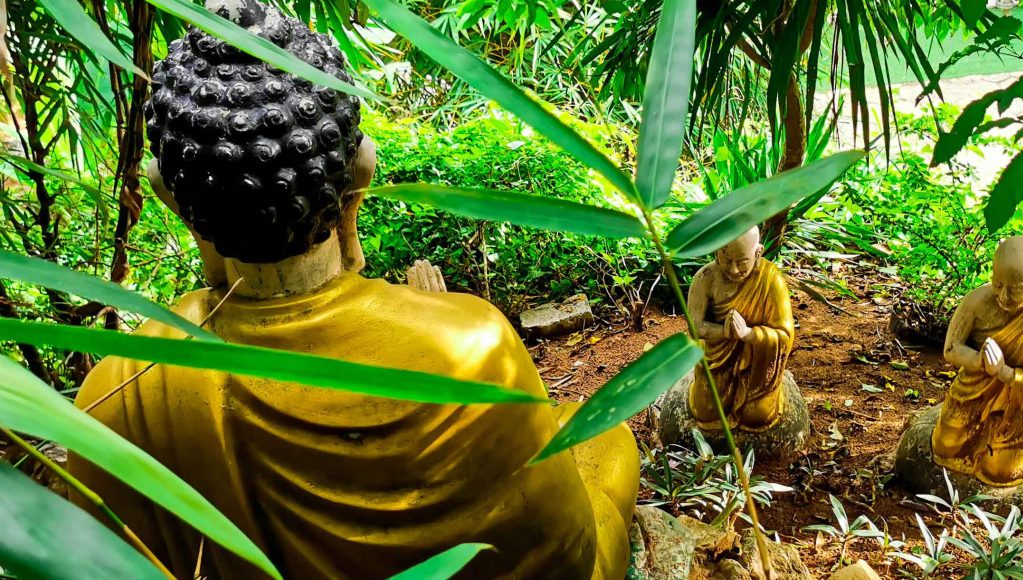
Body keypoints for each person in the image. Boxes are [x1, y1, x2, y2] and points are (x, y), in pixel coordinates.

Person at [68, 3, 638, 578]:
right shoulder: (474, 345)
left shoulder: (120, 391)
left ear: (168, 192)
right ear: (360, 172)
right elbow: (566, 556)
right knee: (608, 440)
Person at [933, 236, 1023, 486]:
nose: (1004, 296)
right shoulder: (977, 302)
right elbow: (951, 349)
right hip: (975, 386)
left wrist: (1005, 372)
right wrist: (980, 361)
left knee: (999, 470)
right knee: (946, 446)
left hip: (1017, 403)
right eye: (998, 284)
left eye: (1016, 289)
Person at [685, 226, 795, 431]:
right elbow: (695, 326)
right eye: (727, 260)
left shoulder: (771, 280)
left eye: (742, 262)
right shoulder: (706, 278)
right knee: (706, 411)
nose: (734, 269)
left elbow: (784, 334)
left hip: (756, 363)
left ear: (758, 253)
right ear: (716, 251)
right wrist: (724, 332)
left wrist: (748, 334)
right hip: (717, 357)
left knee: (758, 415)